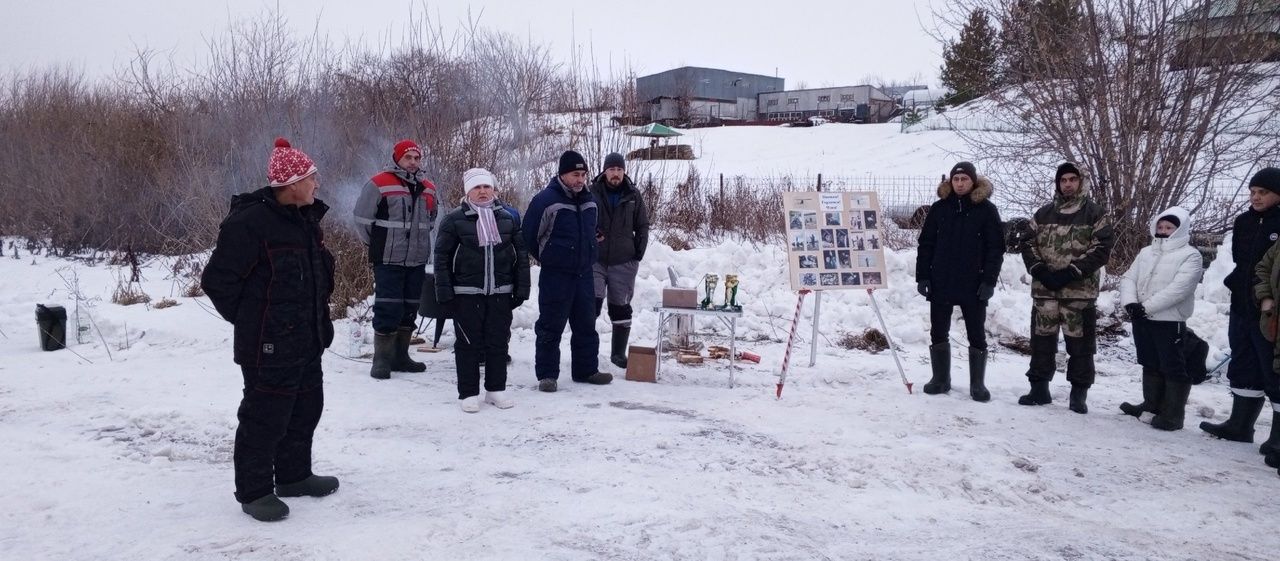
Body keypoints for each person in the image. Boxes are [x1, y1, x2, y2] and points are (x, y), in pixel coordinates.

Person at [201, 137, 339, 522]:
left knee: (305, 409)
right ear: (292, 183)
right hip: (269, 346)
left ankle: (294, 476)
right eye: (311, 177)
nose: (317, 183)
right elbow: (218, 281)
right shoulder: (250, 223)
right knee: (266, 418)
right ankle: (255, 491)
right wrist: (254, 322)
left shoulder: (306, 221)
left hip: (308, 340)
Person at [1018, 162, 1115, 413]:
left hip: (1078, 293)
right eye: (1063, 180)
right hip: (1045, 292)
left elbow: (1102, 249)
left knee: (1080, 346)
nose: (1068, 184)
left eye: (1073, 179)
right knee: (1041, 342)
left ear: (1081, 182)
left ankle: (1079, 393)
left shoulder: (1095, 214)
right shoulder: (1042, 214)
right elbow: (1027, 243)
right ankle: (1039, 388)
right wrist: (1039, 269)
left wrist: (1072, 272)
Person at [434, 168, 530, 412]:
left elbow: (520, 256)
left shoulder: (507, 219)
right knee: (468, 343)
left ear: (494, 190)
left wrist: (521, 288)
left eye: (487, 187)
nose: (483, 191)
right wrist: (444, 292)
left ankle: (495, 390)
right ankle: (468, 393)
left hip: (500, 292)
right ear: (468, 192)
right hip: (466, 292)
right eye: (477, 187)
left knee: (498, 342)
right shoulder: (454, 220)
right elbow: (442, 257)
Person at [523, 150, 614, 392]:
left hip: (585, 273)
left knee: (586, 324)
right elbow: (529, 235)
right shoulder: (545, 200)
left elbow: (592, 229)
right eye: (575, 174)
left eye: (583, 174)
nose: (580, 179)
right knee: (550, 325)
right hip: (556, 275)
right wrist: (549, 256)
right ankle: (547, 375)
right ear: (562, 174)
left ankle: (586, 370)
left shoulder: (590, 200)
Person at [915, 161, 1004, 402]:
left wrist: (989, 281)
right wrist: (922, 276)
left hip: (973, 284)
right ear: (950, 182)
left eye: (965, 179)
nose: (960, 183)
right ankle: (941, 379)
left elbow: (996, 249)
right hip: (941, 280)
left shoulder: (986, 210)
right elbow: (926, 244)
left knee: (976, 333)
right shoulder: (939, 208)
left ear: (973, 181)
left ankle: (977, 384)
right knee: (938, 331)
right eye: (956, 179)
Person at [1205, 167, 1280, 446]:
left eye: (1263, 192)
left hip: (1270, 309)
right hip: (1242, 305)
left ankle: (1277, 438)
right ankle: (1240, 425)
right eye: (1252, 192)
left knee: (1273, 368)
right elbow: (1240, 259)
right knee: (1244, 363)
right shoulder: (1243, 221)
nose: (1256, 197)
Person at [353, 140, 438, 380]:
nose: (412, 162)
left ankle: (401, 356)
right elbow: (361, 219)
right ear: (397, 158)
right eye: (407, 157)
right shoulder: (379, 183)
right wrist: (378, 243)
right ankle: (381, 359)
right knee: (387, 305)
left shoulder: (428, 187)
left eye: (416, 158)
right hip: (388, 258)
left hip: (417, 259)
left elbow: (431, 218)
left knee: (410, 306)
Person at [1118, 207, 1203, 430]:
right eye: (1161, 227)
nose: (1164, 231)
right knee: (1149, 361)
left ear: (1180, 229)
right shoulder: (1146, 252)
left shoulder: (1190, 255)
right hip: (1141, 317)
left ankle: (1173, 415)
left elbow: (1179, 289)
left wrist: (1145, 307)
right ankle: (1151, 405)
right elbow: (1129, 277)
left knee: (1172, 365)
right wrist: (1130, 303)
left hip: (1169, 320)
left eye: (1169, 228)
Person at [590, 152, 651, 368]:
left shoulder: (633, 194)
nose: (615, 174)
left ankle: (618, 354)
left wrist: (638, 252)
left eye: (619, 169)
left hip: (623, 260)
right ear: (604, 171)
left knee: (620, 307)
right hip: (595, 259)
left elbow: (642, 224)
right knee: (591, 305)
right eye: (611, 169)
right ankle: (587, 352)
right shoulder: (592, 192)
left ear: (624, 171)